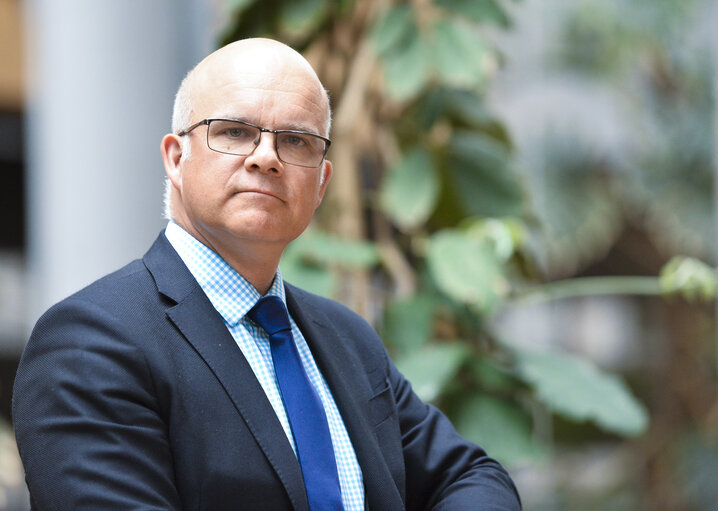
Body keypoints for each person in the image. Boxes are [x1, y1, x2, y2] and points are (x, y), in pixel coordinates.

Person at [13, 38, 522, 511]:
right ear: (175, 157)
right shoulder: (90, 344)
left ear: (321, 183)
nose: (266, 158)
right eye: (234, 132)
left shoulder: (347, 339)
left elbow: (471, 477)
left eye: (296, 141)